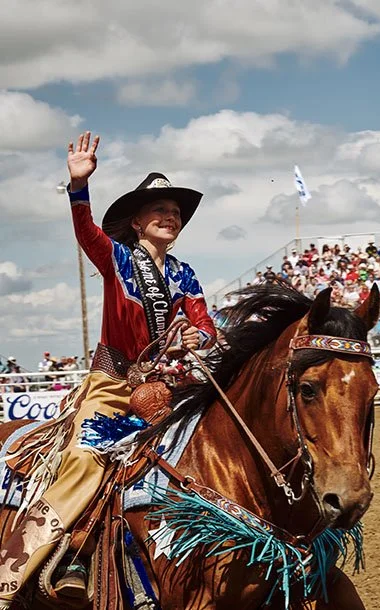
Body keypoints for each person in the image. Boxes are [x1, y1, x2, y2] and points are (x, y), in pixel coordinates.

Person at [0, 132, 216, 606]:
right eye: (159, 210)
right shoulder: (117, 258)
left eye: (176, 212)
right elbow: (86, 234)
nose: (170, 216)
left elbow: (205, 323)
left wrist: (199, 336)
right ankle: (52, 559)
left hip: (166, 391)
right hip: (112, 386)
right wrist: (79, 188)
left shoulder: (185, 274)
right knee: (87, 458)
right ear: (137, 222)